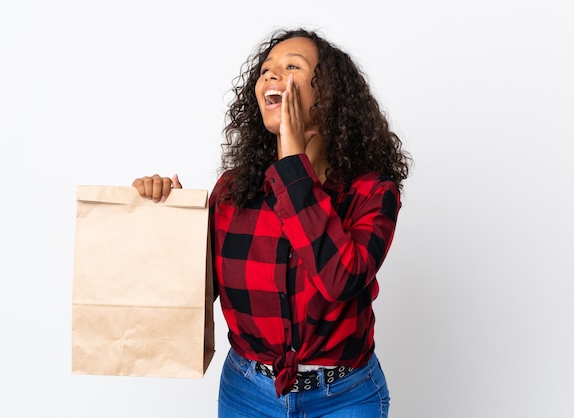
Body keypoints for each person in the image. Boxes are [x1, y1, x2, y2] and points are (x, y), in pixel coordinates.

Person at [132, 27, 411, 418]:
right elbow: (194, 295)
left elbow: (340, 280)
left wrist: (292, 161)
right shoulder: (233, 190)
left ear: (329, 95)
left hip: (345, 397)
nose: (270, 75)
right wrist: (166, 219)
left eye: (291, 66)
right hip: (246, 392)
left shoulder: (371, 192)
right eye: (266, 70)